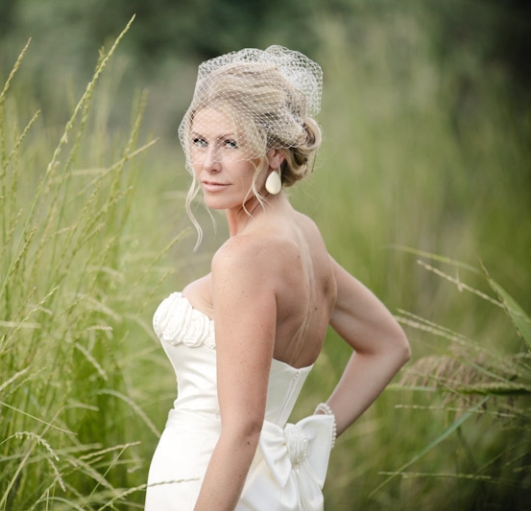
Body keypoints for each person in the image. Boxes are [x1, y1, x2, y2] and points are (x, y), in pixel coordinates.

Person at [145, 46, 411, 510]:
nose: (207, 163)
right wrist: (309, 438)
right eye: (199, 140)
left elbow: (245, 429)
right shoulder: (306, 238)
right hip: (266, 489)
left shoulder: (242, 259)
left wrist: (309, 436)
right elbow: (388, 344)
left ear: (273, 153)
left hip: (206, 487)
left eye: (230, 143)